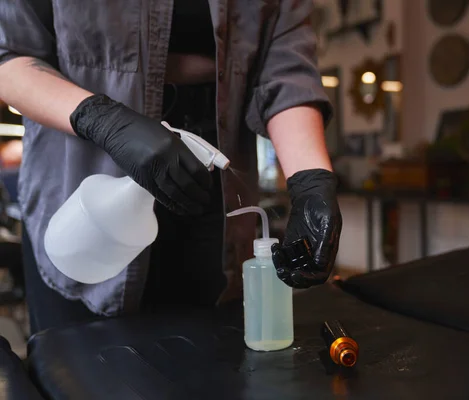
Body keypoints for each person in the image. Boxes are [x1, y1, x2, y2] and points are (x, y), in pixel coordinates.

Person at [0, 1, 342, 333]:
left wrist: (309, 179)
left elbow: (286, 69)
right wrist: (101, 119)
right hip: (78, 191)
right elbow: (9, 55)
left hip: (211, 207)